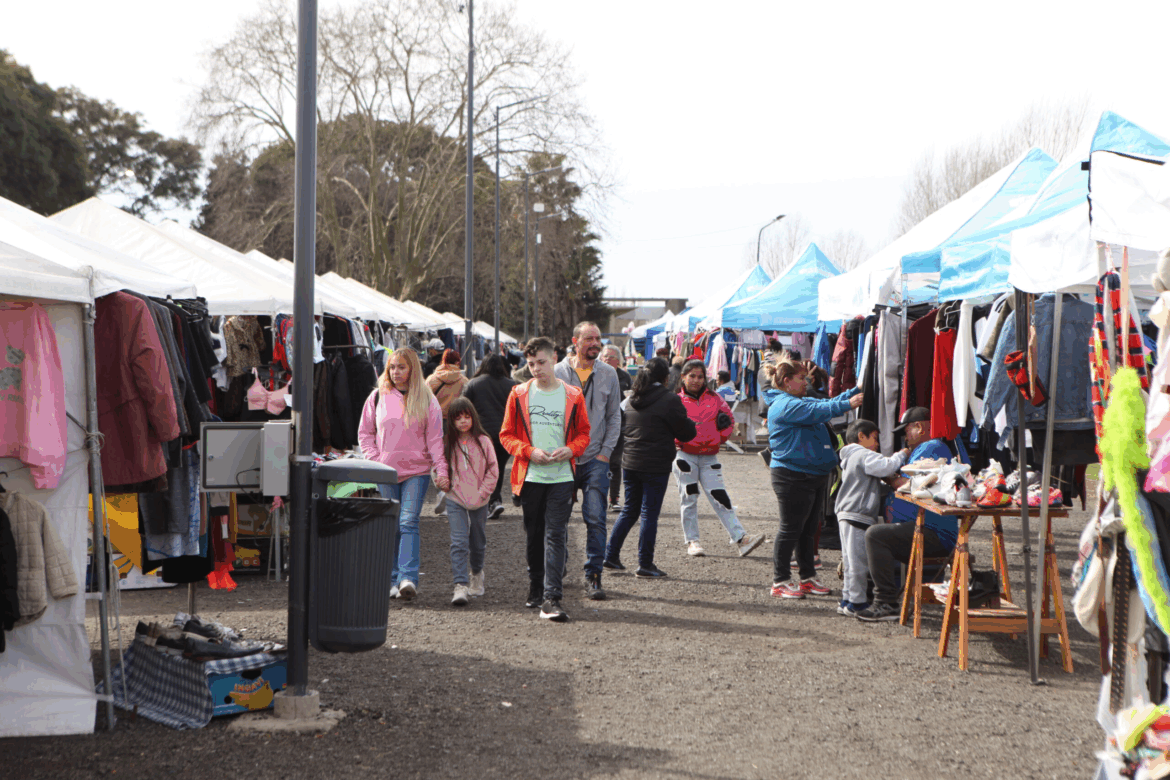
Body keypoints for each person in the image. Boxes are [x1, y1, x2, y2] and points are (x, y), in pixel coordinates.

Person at [499, 337, 591, 622]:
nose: (536, 369)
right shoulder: (518, 393)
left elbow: (584, 434)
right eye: (530, 364)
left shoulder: (573, 395)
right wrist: (529, 451)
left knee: (556, 533)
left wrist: (571, 449)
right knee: (534, 534)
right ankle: (536, 585)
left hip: (562, 476)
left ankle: (552, 596)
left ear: (554, 360)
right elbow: (505, 435)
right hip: (530, 476)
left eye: (541, 363)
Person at [357, 348, 448, 601]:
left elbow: (436, 439)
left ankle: (407, 577)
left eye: (402, 367)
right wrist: (375, 460)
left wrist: (441, 469)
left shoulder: (427, 399)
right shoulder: (377, 397)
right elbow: (365, 433)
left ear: (413, 370)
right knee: (390, 526)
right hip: (385, 471)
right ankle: (391, 578)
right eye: (392, 367)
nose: (396, 372)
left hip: (416, 472)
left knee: (408, 522)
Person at [767, 359, 862, 600]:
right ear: (787, 382)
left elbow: (824, 403)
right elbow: (819, 410)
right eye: (801, 378)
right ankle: (780, 581)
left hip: (812, 473)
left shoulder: (797, 400)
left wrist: (856, 389)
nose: (806, 382)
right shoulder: (784, 405)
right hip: (792, 474)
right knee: (790, 529)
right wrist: (848, 403)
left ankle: (807, 578)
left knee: (808, 530)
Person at [858, 407, 960, 623]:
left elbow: (909, 484)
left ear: (919, 426)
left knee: (875, 535)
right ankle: (876, 592)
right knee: (867, 526)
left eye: (906, 431)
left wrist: (886, 474)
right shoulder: (925, 448)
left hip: (934, 533)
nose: (905, 436)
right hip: (922, 527)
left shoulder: (932, 446)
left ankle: (886, 601)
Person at [605, 358, 697, 578]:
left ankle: (610, 555)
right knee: (649, 514)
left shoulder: (632, 398)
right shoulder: (670, 399)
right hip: (655, 464)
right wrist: (692, 424)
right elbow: (686, 433)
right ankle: (645, 564)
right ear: (666, 378)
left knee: (630, 510)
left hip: (630, 462)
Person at [554, 321, 622, 601]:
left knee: (595, 519)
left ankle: (593, 575)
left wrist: (606, 453)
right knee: (557, 519)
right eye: (589, 339)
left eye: (598, 338)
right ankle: (557, 569)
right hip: (563, 459)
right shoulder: (557, 372)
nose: (595, 343)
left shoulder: (609, 374)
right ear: (575, 341)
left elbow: (614, 416)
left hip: (596, 459)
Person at [674, 359, 765, 558]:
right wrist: (675, 440)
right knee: (689, 498)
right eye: (692, 376)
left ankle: (741, 539)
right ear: (683, 377)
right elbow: (664, 423)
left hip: (710, 457)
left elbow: (728, 421)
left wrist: (718, 439)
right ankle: (692, 541)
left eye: (700, 377)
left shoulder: (715, 398)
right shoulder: (675, 400)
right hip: (685, 456)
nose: (697, 380)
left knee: (721, 498)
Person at [834, 420, 910, 616]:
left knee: (850, 560)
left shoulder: (850, 456)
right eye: (875, 439)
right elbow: (885, 466)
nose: (877, 445)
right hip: (857, 513)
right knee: (858, 562)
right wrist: (902, 454)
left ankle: (847, 600)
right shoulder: (863, 454)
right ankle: (857, 603)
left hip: (846, 513)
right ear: (862, 436)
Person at [442, 398, 498, 606]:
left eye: (467, 417)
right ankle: (460, 584)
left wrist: (484, 493)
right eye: (458, 418)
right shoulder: (447, 442)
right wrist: (442, 482)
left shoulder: (484, 441)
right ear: (452, 421)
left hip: (480, 500)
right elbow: (439, 467)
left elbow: (493, 469)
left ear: (473, 417)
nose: (464, 422)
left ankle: (476, 572)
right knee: (458, 541)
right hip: (455, 498)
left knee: (477, 541)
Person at [462, 354, 518, 519]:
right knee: (498, 468)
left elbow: (462, 406)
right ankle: (495, 500)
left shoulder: (473, 383)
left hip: (481, 434)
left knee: (482, 469)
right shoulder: (512, 385)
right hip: (505, 436)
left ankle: (487, 501)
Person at [601, 344, 633, 513]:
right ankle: (596, 497)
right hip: (597, 425)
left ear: (618, 361)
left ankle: (614, 498)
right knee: (596, 461)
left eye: (611, 357)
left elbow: (631, 398)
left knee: (615, 463)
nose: (607, 359)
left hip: (618, 425)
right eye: (605, 356)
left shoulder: (625, 377)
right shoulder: (596, 374)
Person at [426, 349, 469, 420]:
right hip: (456, 421)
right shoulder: (464, 381)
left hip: (435, 420)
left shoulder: (431, 379)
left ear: (443, 361)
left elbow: (425, 401)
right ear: (457, 362)